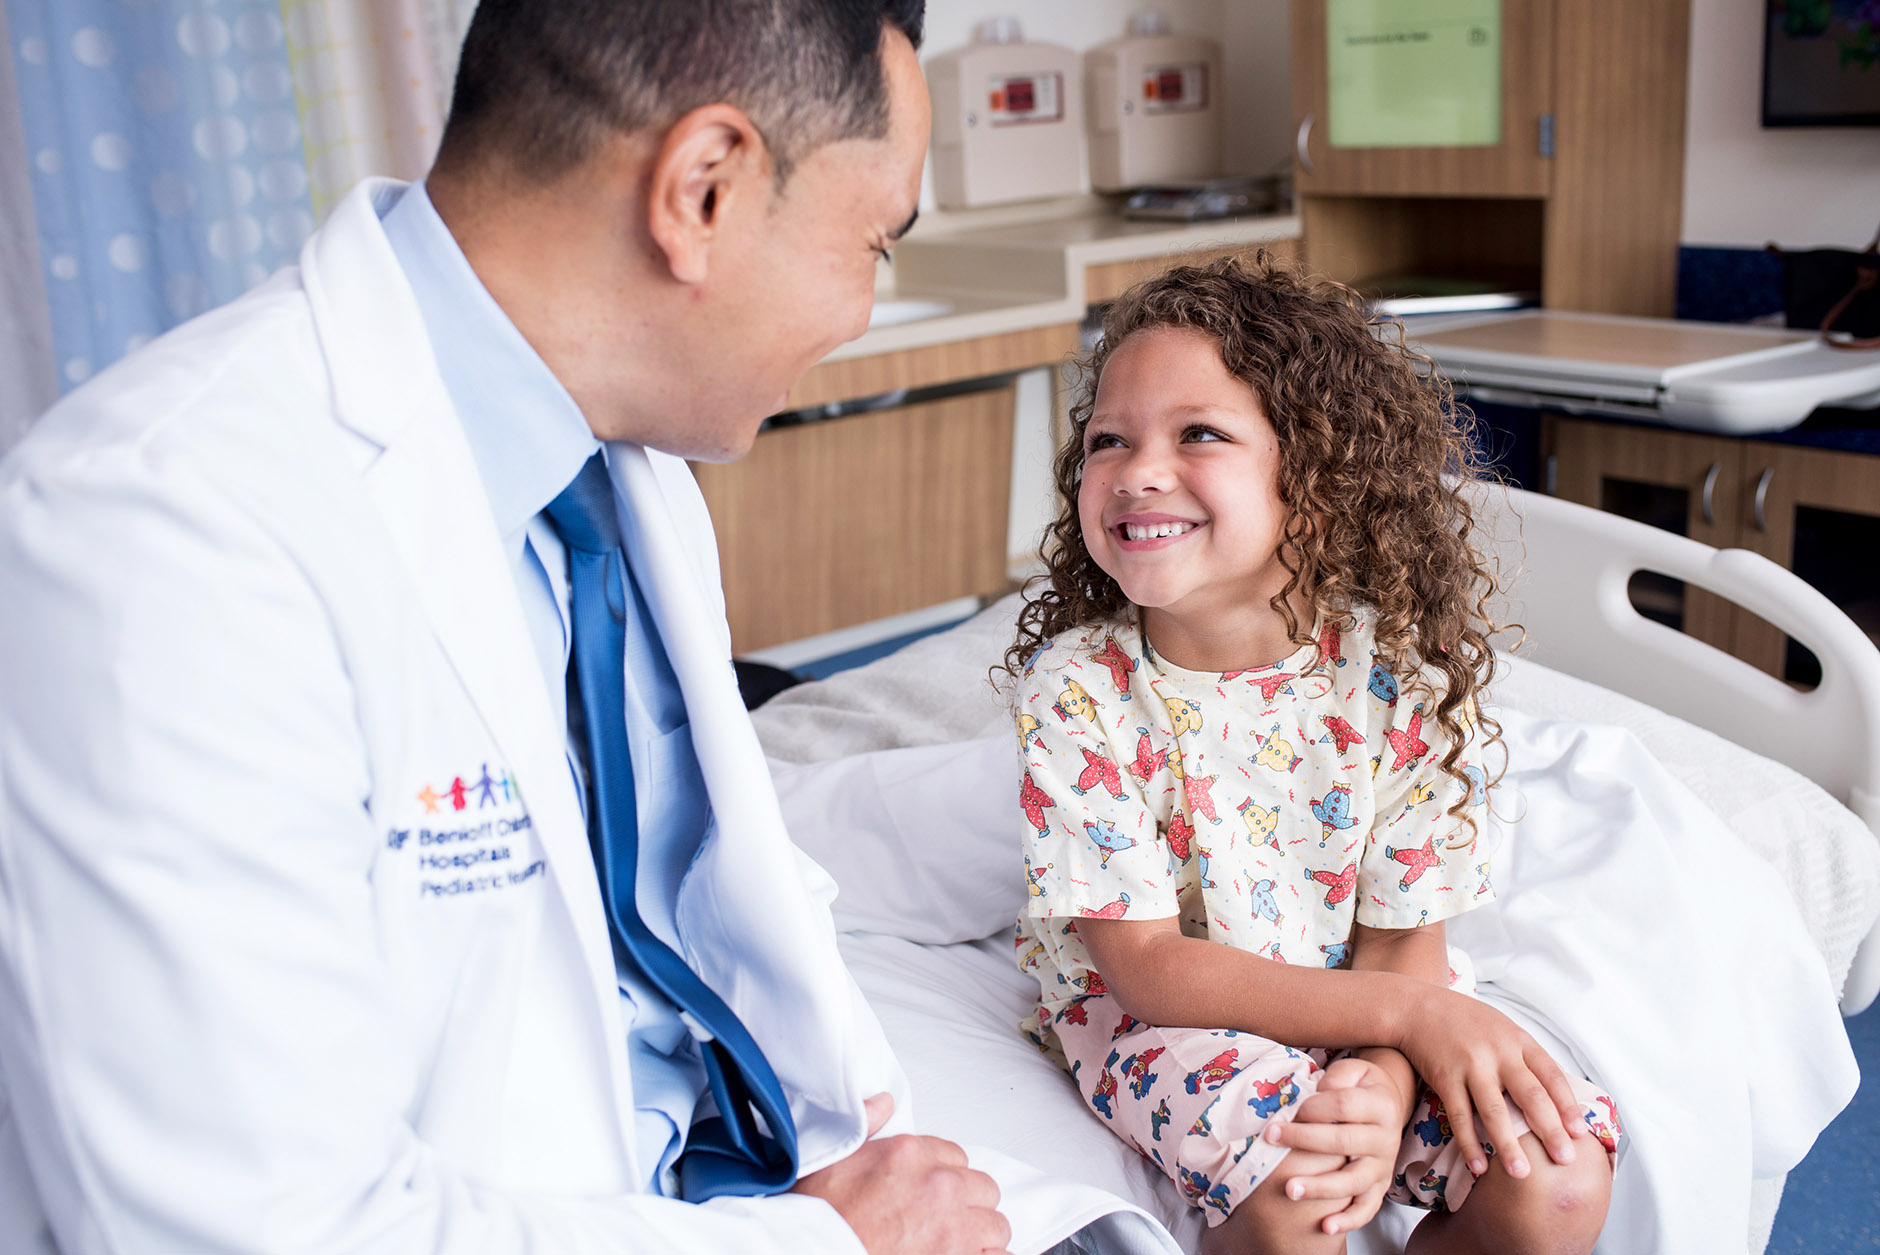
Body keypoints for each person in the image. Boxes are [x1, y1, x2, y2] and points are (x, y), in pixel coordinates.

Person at [0, 2, 1038, 1251]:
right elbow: (250, 1224)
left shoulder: (617, 467)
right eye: (873, 243)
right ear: (701, 190)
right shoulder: (159, 529)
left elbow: (726, 884)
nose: (862, 310)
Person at [1006, 256, 1623, 1254]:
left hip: (1367, 1001)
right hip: (1166, 1018)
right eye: (1104, 440)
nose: (1134, 469)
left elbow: (1401, 933)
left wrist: (1378, 1079)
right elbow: (1150, 971)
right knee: (1309, 1188)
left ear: (1321, 476)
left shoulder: (1394, 677)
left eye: (1195, 433)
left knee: (1547, 1176)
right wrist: (1410, 1026)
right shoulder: (1077, 690)